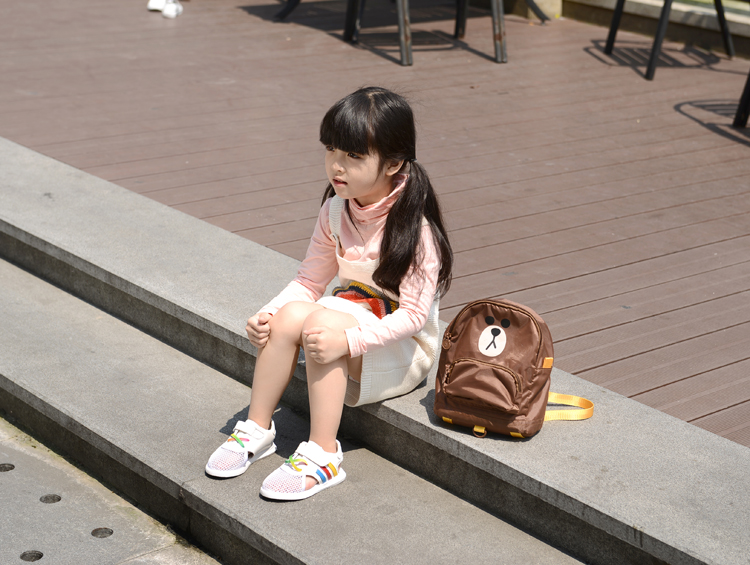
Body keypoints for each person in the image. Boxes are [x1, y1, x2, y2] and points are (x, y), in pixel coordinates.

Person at [205, 87, 453, 501]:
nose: (337, 166)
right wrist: (265, 314)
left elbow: (412, 317)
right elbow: (308, 281)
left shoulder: (416, 233)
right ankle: (257, 429)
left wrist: (348, 340)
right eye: (332, 150)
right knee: (288, 317)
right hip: (348, 319)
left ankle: (323, 454)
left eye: (354, 156)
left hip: (401, 348)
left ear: (393, 163)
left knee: (320, 321)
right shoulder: (337, 210)